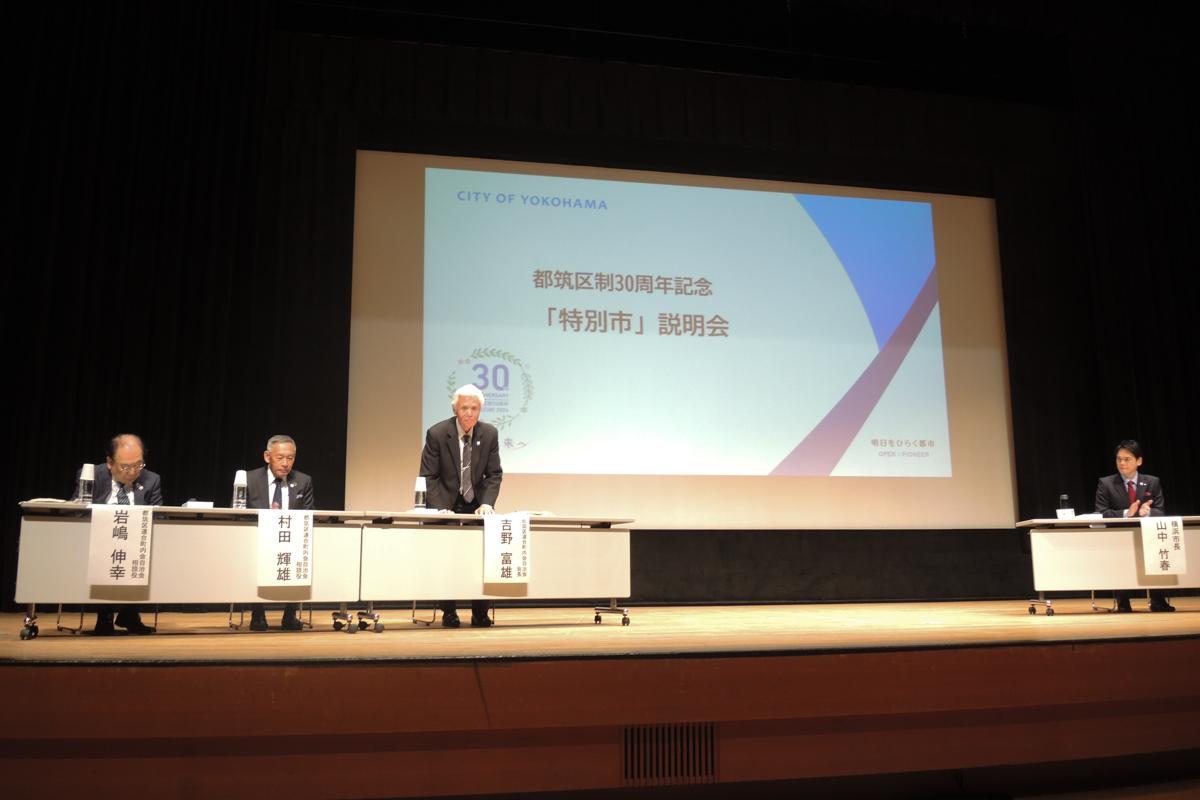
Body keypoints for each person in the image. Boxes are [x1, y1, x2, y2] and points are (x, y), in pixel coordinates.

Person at [419, 384, 503, 628]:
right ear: (455, 409)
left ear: (480, 410)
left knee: (482, 556)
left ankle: (480, 613)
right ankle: (449, 611)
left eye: (474, 408)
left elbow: (494, 474)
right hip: (446, 504)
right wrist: (439, 508)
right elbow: (428, 476)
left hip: (476, 505)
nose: (469, 413)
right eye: (465, 407)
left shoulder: (489, 434)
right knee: (448, 559)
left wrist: (486, 503)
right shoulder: (437, 433)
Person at [79, 434, 163, 635]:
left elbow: (158, 517)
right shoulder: (92, 476)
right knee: (106, 551)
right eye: (125, 466)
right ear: (110, 462)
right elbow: (78, 511)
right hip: (97, 541)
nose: (133, 471)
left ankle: (129, 615)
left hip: (137, 542)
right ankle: (105, 616)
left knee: (149, 552)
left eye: (138, 465)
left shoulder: (152, 479)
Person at [245, 434, 315, 631]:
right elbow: (238, 513)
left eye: (290, 458)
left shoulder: (303, 481)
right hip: (257, 538)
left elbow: (309, 514)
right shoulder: (250, 479)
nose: (285, 463)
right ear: (267, 457)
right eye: (280, 457)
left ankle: (290, 615)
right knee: (252, 558)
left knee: (301, 556)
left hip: (292, 539)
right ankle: (257, 614)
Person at [1094, 439, 1172, 612]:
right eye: (1119, 459)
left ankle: (1158, 601)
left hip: (1149, 534)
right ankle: (1123, 602)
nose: (1122, 463)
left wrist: (1147, 513)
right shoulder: (1106, 483)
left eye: (1127, 459)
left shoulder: (1152, 482)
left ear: (1139, 461)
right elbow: (1101, 513)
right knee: (1120, 560)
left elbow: (1160, 510)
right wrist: (1125, 514)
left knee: (1158, 556)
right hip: (1118, 535)